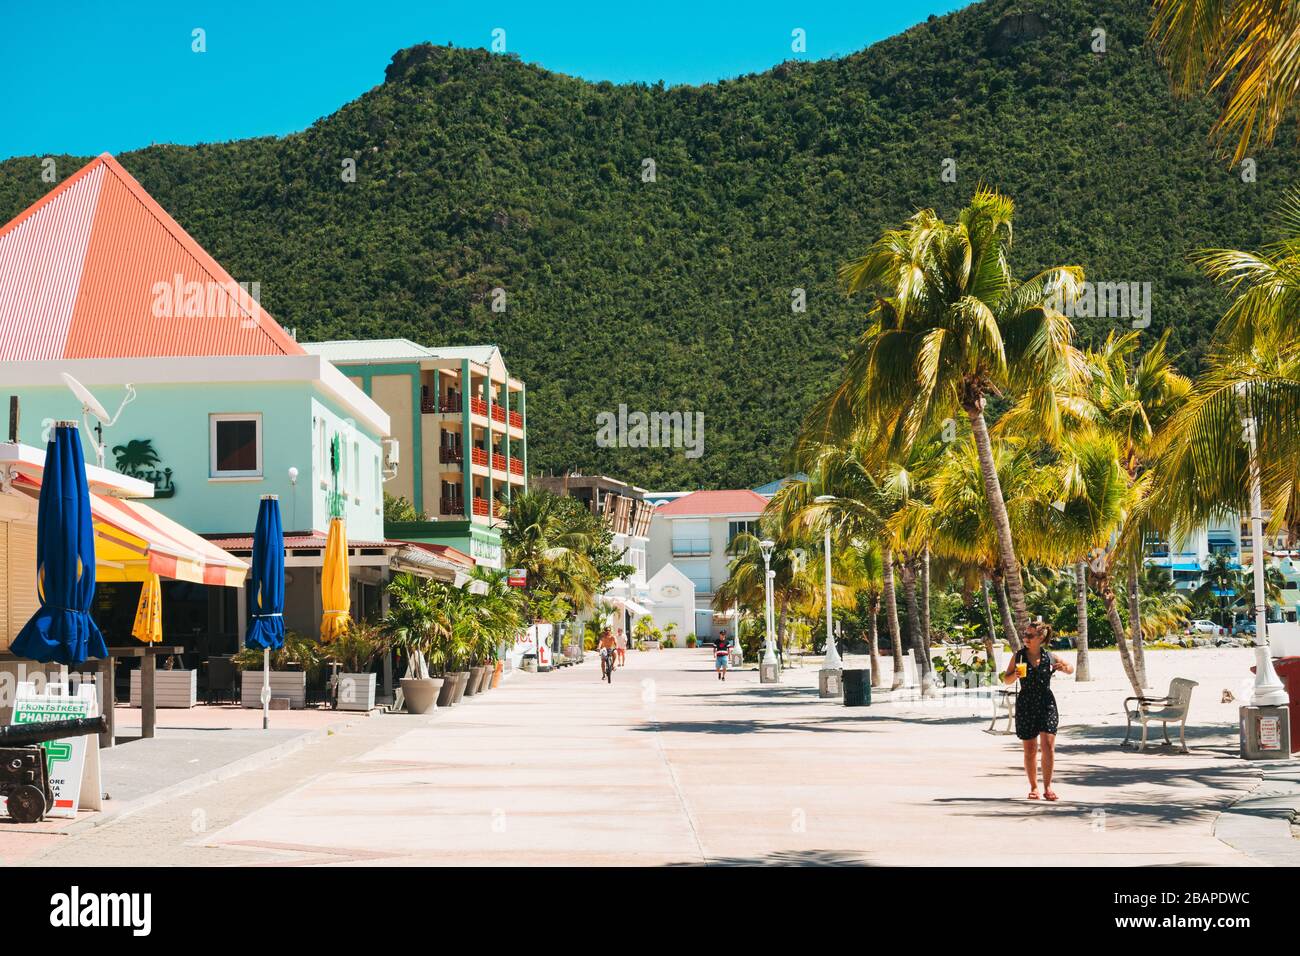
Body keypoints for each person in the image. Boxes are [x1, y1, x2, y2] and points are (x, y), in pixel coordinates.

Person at [1002, 621, 1073, 800]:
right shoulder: (1018, 657)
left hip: (1046, 703)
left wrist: (1063, 668)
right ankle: (1034, 787)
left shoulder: (1050, 656)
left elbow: (1070, 669)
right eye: (1025, 635)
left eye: (1030, 635)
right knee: (1030, 749)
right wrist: (1014, 675)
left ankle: (1048, 787)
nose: (1025, 638)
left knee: (1048, 746)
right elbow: (1006, 680)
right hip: (1026, 703)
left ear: (1040, 638)